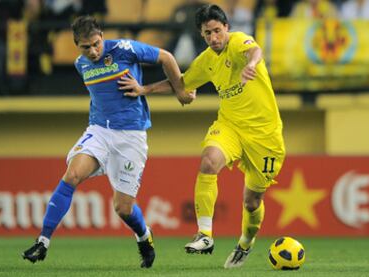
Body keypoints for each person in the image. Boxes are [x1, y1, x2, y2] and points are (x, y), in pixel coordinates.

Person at [119, 4, 285, 269]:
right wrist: (143, 89)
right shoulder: (207, 59)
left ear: (227, 28)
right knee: (208, 161)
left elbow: (255, 51)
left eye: (217, 31)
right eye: (207, 33)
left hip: (265, 136)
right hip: (230, 126)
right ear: (202, 35)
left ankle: (245, 242)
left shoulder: (239, 42)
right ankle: (205, 234)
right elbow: (181, 82)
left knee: (252, 202)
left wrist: (251, 65)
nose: (214, 38)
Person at [21, 15, 189, 268]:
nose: (93, 51)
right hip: (99, 130)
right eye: (85, 47)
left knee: (122, 208)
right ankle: (42, 241)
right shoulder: (81, 64)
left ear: (102, 36)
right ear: (77, 45)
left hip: (131, 136)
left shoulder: (124, 48)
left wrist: (179, 91)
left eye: (97, 44)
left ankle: (144, 236)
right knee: (71, 175)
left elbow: (167, 57)